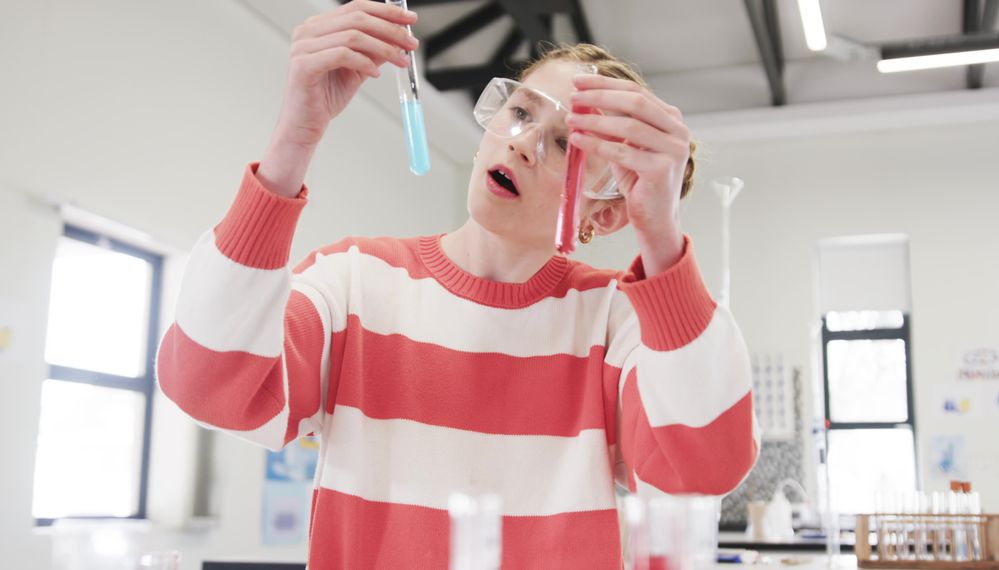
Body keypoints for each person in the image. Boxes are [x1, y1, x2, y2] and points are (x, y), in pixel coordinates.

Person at [156, 1, 759, 567]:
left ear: (603, 213)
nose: (522, 144)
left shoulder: (616, 319)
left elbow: (703, 468)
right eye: (521, 112)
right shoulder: (354, 283)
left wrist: (661, 236)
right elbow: (209, 386)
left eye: (562, 145)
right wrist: (294, 139)